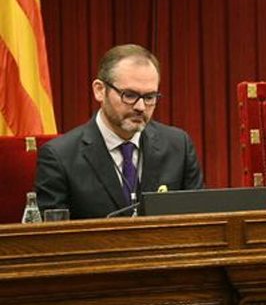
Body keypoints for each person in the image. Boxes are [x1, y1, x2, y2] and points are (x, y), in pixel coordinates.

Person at [34, 44, 204, 219]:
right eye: (129, 95)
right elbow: (52, 238)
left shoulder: (178, 146)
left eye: (149, 97)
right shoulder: (59, 156)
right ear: (100, 90)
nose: (140, 107)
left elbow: (199, 222)